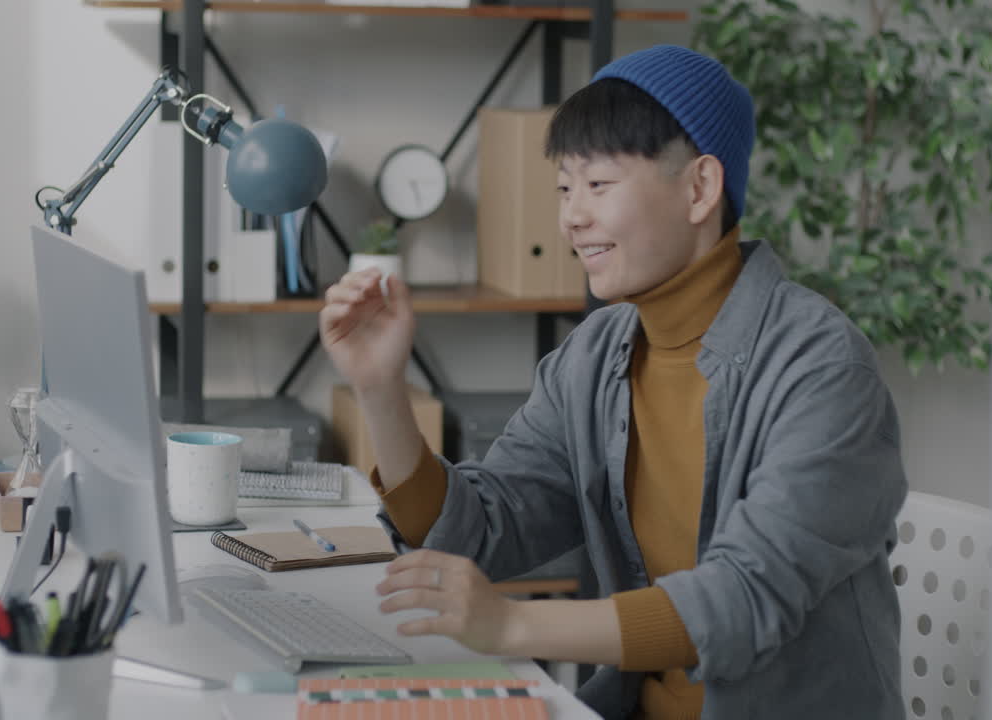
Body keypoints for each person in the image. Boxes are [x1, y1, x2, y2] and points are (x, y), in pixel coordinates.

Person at [319, 45, 907, 720]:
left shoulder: (823, 370)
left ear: (699, 188)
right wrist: (380, 389)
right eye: (565, 189)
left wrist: (512, 628)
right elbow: (483, 530)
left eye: (598, 185)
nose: (571, 217)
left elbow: (746, 598)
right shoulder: (596, 355)